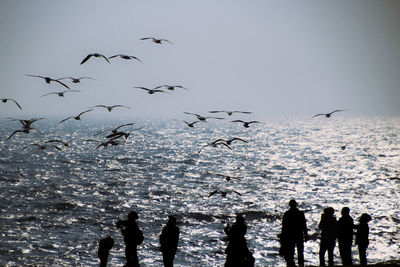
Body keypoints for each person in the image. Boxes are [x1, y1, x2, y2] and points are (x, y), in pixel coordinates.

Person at [280, 199, 308, 267]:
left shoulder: (287, 213)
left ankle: (291, 264)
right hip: (299, 234)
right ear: (296, 205)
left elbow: (284, 226)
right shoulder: (300, 213)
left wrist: (283, 236)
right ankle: (301, 264)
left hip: (290, 235)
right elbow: (304, 225)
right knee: (300, 251)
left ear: (290, 205)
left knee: (291, 251)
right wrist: (306, 234)